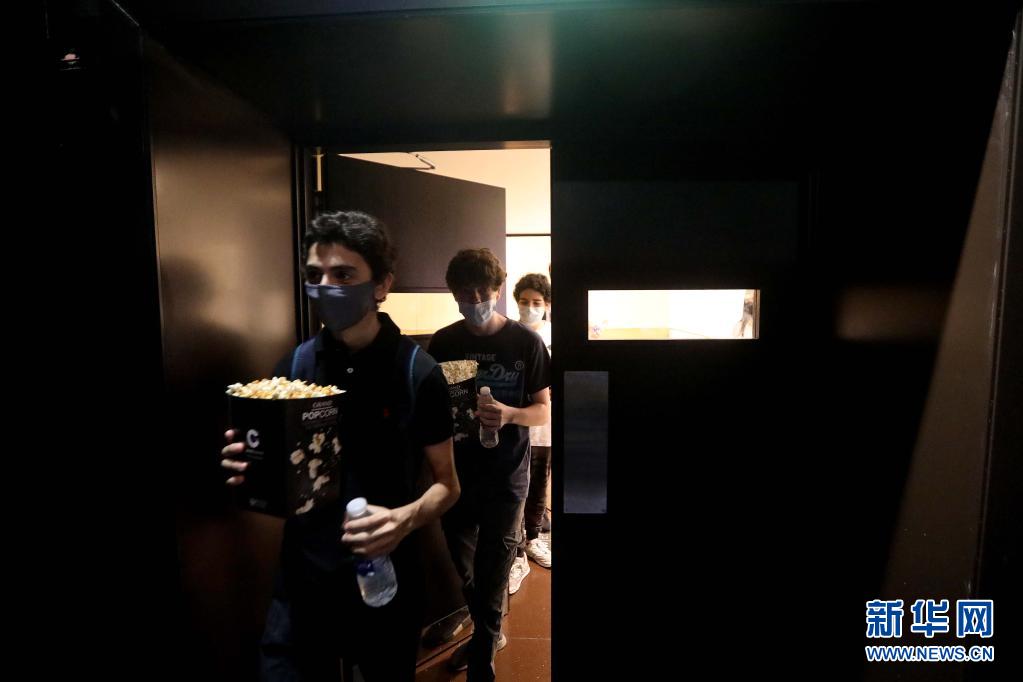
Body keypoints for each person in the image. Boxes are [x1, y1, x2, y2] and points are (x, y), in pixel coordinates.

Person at [220, 210, 460, 681]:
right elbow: (283, 472)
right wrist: (250, 466)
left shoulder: (417, 372)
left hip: (384, 576)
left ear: (381, 284)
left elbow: (448, 486)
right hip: (304, 579)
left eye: (344, 275)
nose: (326, 287)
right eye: (315, 276)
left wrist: (404, 518)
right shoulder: (295, 366)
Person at [427, 249, 551, 680]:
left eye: (483, 291)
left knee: (495, 568)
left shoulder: (526, 343)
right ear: (454, 295)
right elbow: (433, 407)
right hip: (456, 475)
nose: (476, 300)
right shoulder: (444, 343)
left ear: (498, 290)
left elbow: (542, 410)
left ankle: (483, 654)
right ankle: (487, 626)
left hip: (507, 476)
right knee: (465, 564)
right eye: (466, 293)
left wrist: (510, 414)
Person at [507, 274, 553, 596]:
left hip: (545, 423)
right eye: (524, 302)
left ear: (547, 304)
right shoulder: (510, 335)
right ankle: (516, 551)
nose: (530, 307)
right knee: (516, 487)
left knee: (539, 482)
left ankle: (534, 538)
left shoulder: (554, 335)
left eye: (537, 302)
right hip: (516, 422)